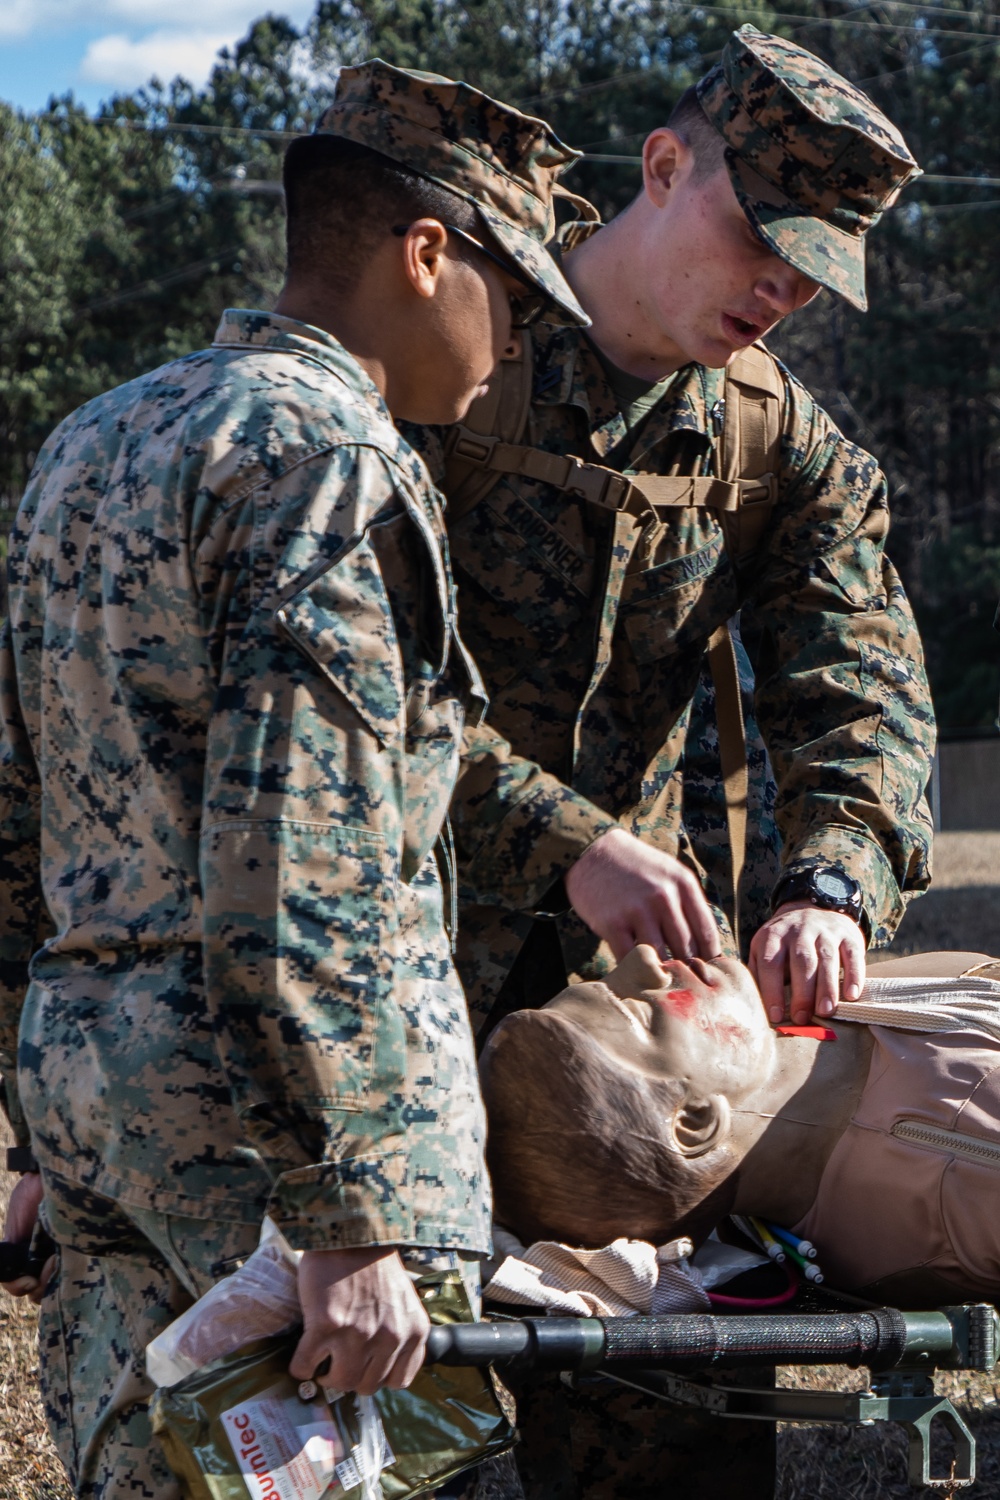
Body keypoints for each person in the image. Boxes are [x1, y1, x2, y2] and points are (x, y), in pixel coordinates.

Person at [0, 61, 664, 1500]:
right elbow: (296, 856)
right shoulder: (334, 461)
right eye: (516, 297)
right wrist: (350, 1214)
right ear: (427, 256)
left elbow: (20, 802)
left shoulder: (94, 443)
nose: (524, 348)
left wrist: (29, 1110)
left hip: (98, 1102)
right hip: (285, 1154)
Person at [413, 24, 936, 1044]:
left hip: (629, 1016)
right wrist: (567, 844)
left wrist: (832, 880)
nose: (783, 291)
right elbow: (345, 695)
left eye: (814, 268)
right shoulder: (441, 360)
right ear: (662, 166)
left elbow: (863, 686)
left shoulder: (774, 439)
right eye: (764, 239)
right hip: (384, 976)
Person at [481, 943, 1000, 1305]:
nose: (641, 960)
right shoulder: (962, 1159)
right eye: (641, 1011)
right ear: (694, 1122)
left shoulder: (817, 1019)